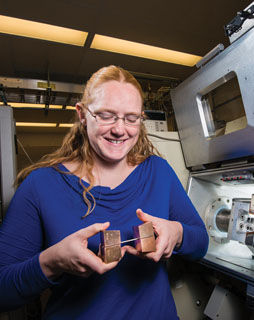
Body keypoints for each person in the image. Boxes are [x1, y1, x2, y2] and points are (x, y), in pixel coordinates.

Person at [0, 65, 209, 319]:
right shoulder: (40, 185)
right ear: (82, 114)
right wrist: (52, 261)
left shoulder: (158, 172)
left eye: (131, 118)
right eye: (106, 115)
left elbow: (200, 242)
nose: (120, 129)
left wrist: (176, 233)